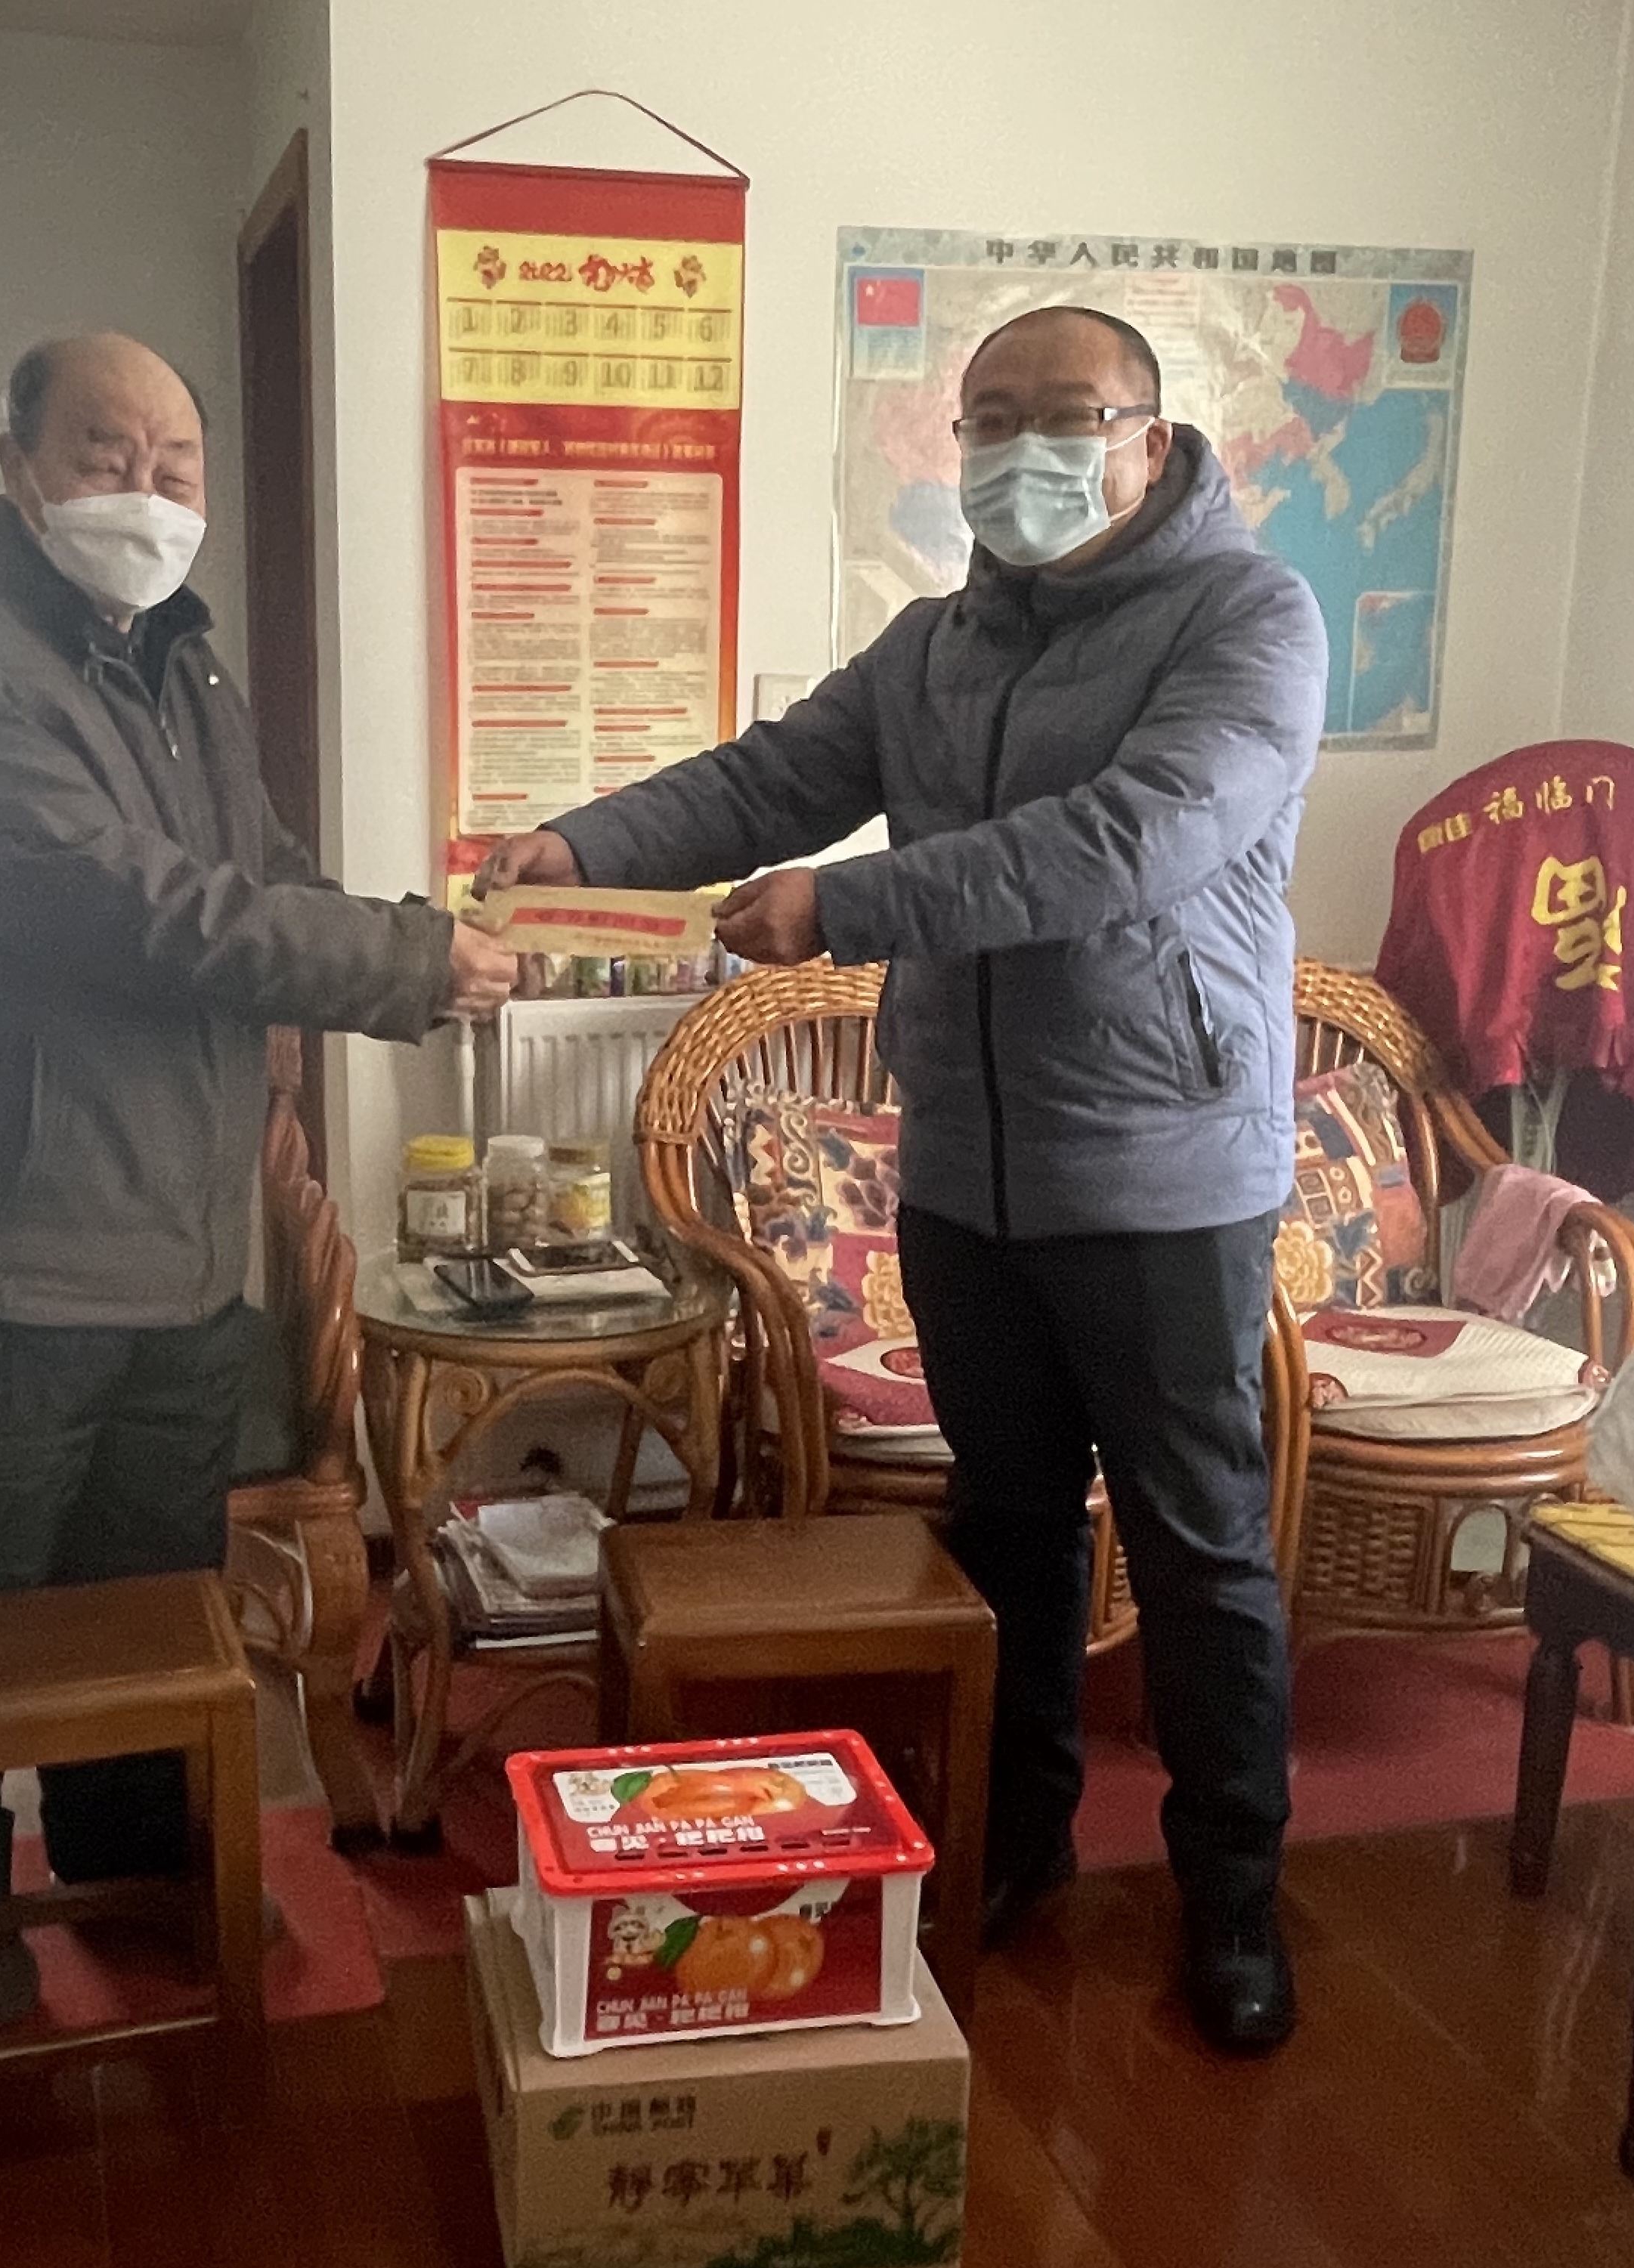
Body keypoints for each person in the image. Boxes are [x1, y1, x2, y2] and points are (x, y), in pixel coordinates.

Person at [478, 305, 1326, 2054]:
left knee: (1195, 1543)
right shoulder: (933, 647)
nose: (1020, 450)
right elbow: (772, 776)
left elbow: (1131, 840)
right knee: (1005, 1524)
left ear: (1148, 438)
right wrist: (583, 842)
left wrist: (846, 906)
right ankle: (1018, 1839)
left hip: (1164, 1174)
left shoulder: (1249, 617)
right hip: (964, 1175)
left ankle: (1234, 1886)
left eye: (1061, 415)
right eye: (987, 420)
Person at [0, 332, 518, 2027]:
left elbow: (259, 872)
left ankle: (137, 1868)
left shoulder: (181, 664)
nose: (144, 491)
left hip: (184, 1255)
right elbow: (137, 910)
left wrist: (408, 933)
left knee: (149, 1613)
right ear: (17, 464)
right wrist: (408, 964)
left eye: (175, 464)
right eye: (103, 453)